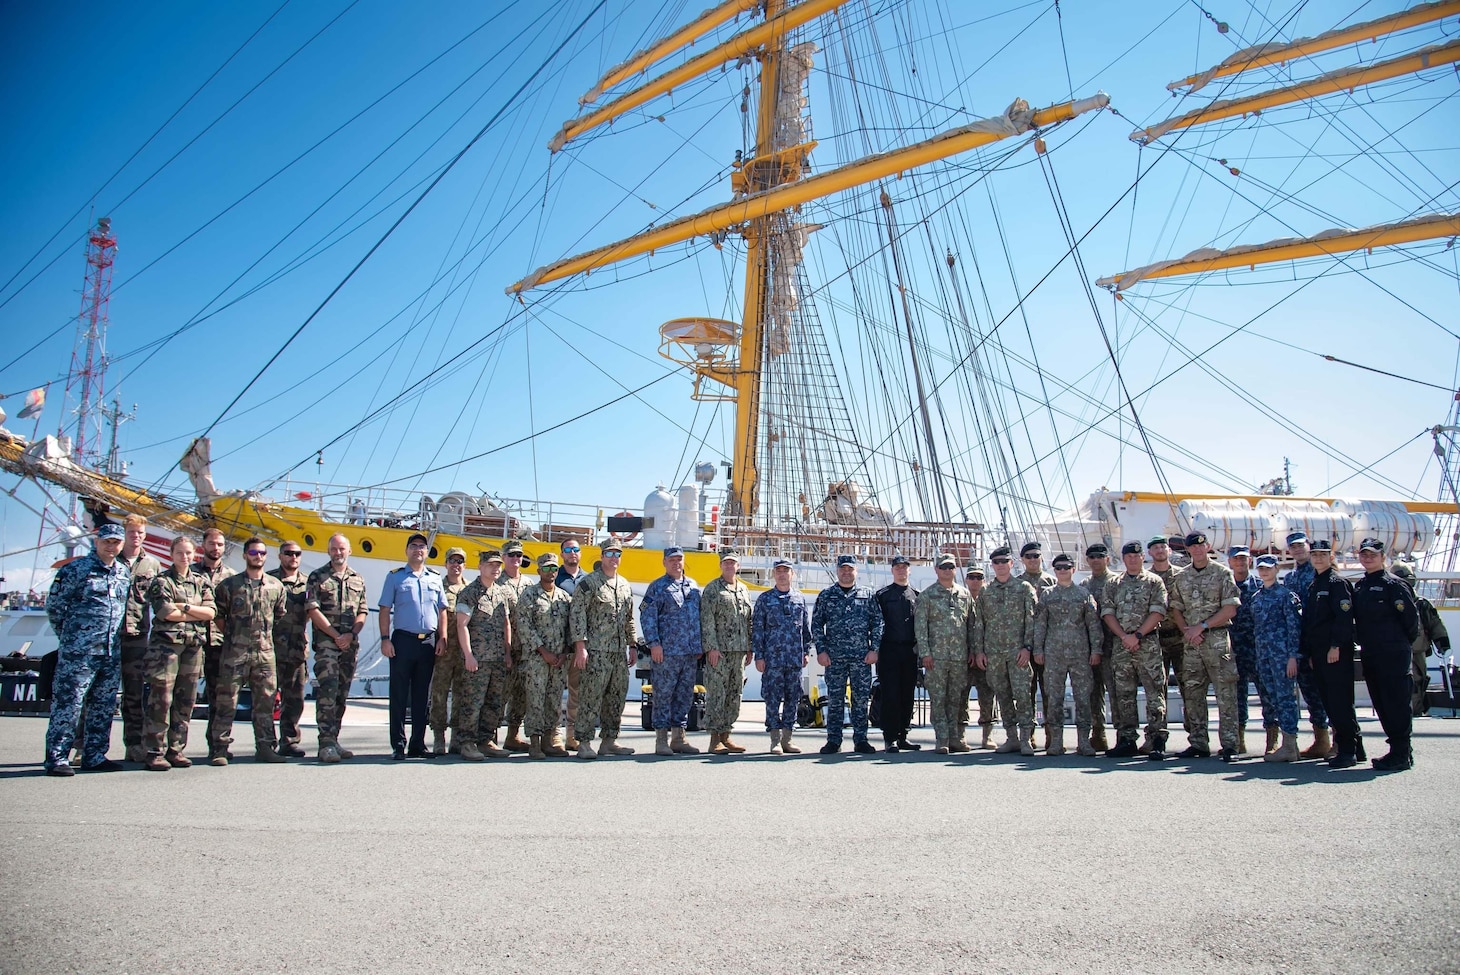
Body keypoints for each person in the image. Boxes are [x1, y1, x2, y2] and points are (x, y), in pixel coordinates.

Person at [42, 522, 130, 776]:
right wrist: (72, 639)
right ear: (97, 541)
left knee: (103, 706)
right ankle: (57, 757)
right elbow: (55, 608)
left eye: (116, 542)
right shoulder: (76, 570)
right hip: (78, 653)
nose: (111, 546)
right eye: (107, 541)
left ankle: (94, 755)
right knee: (69, 705)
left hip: (109, 652)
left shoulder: (123, 572)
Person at [211, 538, 288, 764]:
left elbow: (279, 615)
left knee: (265, 702)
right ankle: (219, 749)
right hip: (235, 652)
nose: (258, 556)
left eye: (262, 552)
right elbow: (219, 616)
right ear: (245, 555)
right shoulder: (229, 585)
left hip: (264, 653)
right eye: (254, 552)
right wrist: (236, 637)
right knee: (226, 701)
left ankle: (265, 747)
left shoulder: (276, 586)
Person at [142, 535, 216, 771]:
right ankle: (155, 751)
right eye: (180, 553)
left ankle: (176, 749)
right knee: (162, 698)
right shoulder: (162, 581)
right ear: (172, 554)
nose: (185, 557)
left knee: (186, 700)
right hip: (167, 647)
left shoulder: (200, 581)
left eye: (188, 553)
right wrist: (195, 612)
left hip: (193, 646)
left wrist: (183, 607)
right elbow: (165, 612)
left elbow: (211, 612)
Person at [1166, 531, 1242, 761]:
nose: (1197, 550)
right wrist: (1187, 631)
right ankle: (1198, 742)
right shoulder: (1182, 577)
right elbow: (1176, 609)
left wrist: (1202, 626)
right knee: (1192, 694)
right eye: (1193, 547)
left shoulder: (1222, 573)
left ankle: (1230, 744)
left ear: (1207, 546)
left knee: (1225, 693)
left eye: (1201, 546)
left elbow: (1230, 609)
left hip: (1217, 640)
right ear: (1188, 550)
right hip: (1191, 643)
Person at [1352, 538, 1420, 771]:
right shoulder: (1360, 587)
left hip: (1393, 653)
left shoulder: (1395, 585)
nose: (1368, 558)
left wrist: (1397, 644)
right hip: (1371, 653)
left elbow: (1411, 622)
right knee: (1381, 703)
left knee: (1396, 703)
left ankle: (1402, 752)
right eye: (1364, 554)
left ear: (1383, 557)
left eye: (1373, 554)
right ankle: (1396, 750)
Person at [379, 532, 449, 760]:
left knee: (422, 696)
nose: (418, 549)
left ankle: (417, 743)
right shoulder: (395, 577)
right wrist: (384, 639)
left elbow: (442, 610)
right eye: (414, 546)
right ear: (407, 550)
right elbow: (384, 609)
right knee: (399, 694)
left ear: (426, 552)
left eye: (422, 546)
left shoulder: (435, 578)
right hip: (402, 641)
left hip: (428, 642)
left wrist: (442, 638)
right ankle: (398, 745)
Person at [1102, 540, 1170, 760]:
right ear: (1123, 558)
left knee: (1154, 693)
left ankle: (1157, 739)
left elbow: (1158, 611)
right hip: (1122, 645)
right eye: (1128, 555)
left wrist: (1138, 635)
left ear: (1143, 557)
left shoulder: (1154, 582)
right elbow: (1107, 612)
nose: (1132, 558)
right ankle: (1127, 739)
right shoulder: (1113, 583)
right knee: (1124, 695)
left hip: (1147, 643)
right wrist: (1124, 636)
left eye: (1136, 555)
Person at [569, 539, 637, 759]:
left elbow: (628, 619)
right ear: (601, 556)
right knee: (591, 696)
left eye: (617, 553)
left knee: (616, 697)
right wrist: (580, 646)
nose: (614, 557)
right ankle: (584, 741)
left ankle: (609, 741)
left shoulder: (625, 584)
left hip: (618, 653)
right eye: (609, 553)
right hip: (596, 651)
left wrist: (633, 644)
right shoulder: (589, 583)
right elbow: (577, 615)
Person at [305, 533, 369, 763]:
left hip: (349, 645)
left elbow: (363, 610)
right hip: (327, 645)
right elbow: (313, 609)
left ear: (349, 551)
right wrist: (335, 636)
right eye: (334, 548)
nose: (338, 552)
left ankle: (335, 739)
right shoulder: (317, 576)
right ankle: (325, 744)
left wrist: (351, 635)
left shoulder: (357, 579)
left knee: (342, 693)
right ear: (329, 551)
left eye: (342, 548)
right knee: (327, 692)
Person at [811, 555, 883, 755]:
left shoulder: (867, 595)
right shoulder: (827, 595)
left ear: (856, 571)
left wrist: (874, 648)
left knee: (860, 699)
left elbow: (878, 623)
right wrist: (821, 650)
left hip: (861, 657)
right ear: (837, 570)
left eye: (850, 569)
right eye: (843, 569)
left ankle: (861, 739)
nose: (846, 572)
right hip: (834, 657)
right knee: (835, 699)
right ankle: (833, 740)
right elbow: (816, 624)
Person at [1031, 553, 1102, 756]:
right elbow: (1040, 624)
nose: (1062, 571)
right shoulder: (1047, 595)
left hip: (1080, 653)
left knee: (1083, 698)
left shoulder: (1083, 594)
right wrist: (1038, 649)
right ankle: (1056, 742)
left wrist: (1096, 649)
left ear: (1073, 569)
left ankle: (1084, 742)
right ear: (1055, 571)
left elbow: (1093, 625)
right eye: (1059, 568)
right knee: (1054, 698)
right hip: (1054, 653)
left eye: (1066, 567)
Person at [973, 546, 1038, 755]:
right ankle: (1012, 737)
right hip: (994, 654)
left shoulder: (1024, 588)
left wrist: (1027, 647)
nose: (1000, 565)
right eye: (996, 562)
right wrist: (980, 651)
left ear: (1012, 563)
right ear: (992, 565)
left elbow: (1031, 620)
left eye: (1004, 561)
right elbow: (979, 624)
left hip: (1017, 653)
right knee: (1003, 696)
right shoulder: (986, 591)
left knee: (1023, 695)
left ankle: (1027, 738)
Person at [1301, 540, 1361, 768]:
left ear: (1331, 556)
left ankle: (1347, 750)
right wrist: (1310, 653)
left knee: (1340, 703)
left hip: (1335, 653)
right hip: (1319, 653)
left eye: (1322, 554)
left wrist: (1336, 645)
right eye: (1314, 554)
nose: (1318, 558)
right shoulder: (1315, 583)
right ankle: (1358, 748)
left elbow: (1344, 619)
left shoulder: (1337, 583)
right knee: (1331, 702)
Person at [641, 545, 704, 756]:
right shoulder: (657, 587)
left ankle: (679, 737)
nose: (676, 563)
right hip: (666, 653)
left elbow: (699, 618)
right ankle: (661, 739)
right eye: (672, 560)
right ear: (664, 563)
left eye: (679, 559)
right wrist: (654, 643)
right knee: (663, 695)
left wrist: (699, 645)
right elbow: (647, 617)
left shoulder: (693, 586)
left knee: (685, 696)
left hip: (689, 653)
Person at [455, 549, 513, 761]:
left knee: (494, 702)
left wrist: (507, 652)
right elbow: (462, 625)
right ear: (480, 566)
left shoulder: (501, 593)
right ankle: (467, 743)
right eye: (491, 565)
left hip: (497, 658)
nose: (495, 569)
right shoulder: (469, 592)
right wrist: (468, 655)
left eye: (498, 565)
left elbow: (506, 623)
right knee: (472, 701)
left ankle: (486, 740)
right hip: (478, 659)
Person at [515, 552, 574, 759]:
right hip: (537, 659)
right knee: (536, 699)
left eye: (554, 568)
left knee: (554, 700)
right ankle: (534, 742)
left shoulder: (564, 597)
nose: (550, 572)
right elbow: (524, 626)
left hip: (559, 660)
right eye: (546, 568)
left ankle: (550, 740)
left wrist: (566, 652)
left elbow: (570, 628)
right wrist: (543, 651)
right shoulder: (529, 595)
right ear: (539, 570)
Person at [914, 553, 974, 754]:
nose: (947, 570)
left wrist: (972, 651)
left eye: (950, 567)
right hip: (936, 658)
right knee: (938, 699)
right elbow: (921, 627)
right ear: (936, 570)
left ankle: (956, 737)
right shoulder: (927, 596)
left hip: (959, 657)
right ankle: (942, 739)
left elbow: (971, 626)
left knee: (956, 698)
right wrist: (925, 653)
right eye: (943, 567)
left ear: (955, 569)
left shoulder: (965, 595)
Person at [752, 558, 812, 755]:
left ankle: (788, 738)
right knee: (772, 698)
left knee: (793, 698)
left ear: (792, 574)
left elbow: (805, 629)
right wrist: (759, 656)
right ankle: (775, 739)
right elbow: (758, 630)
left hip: (794, 659)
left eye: (786, 571)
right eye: (778, 571)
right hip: (773, 659)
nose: (782, 574)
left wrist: (805, 652)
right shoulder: (765, 599)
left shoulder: (799, 598)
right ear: (774, 574)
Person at [116, 514, 162, 764]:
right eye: (132, 532)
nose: (136, 536)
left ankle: (134, 744)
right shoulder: (111, 559)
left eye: (140, 532)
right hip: (107, 636)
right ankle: (85, 745)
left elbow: (157, 601)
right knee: (97, 693)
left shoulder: (151, 565)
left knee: (134, 694)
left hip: (136, 636)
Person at [1282, 531, 1332, 758]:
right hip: (1299, 641)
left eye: (1301, 546)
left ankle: (1340, 739)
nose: (1297, 550)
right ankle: (1321, 739)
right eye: (1293, 547)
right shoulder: (1291, 578)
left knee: (1329, 691)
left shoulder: (1321, 573)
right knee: (1310, 692)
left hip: (1320, 640)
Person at [1250, 555, 1303, 763]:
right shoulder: (1256, 597)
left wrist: (1293, 657)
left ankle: (1290, 744)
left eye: (1268, 568)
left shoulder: (1286, 596)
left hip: (1282, 657)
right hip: (1264, 656)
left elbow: (1294, 629)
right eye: (1261, 568)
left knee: (1286, 698)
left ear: (1277, 569)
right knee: (1273, 698)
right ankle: (1285, 744)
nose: (1264, 572)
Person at [700, 548, 753, 755]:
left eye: (733, 563)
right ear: (721, 565)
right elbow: (707, 621)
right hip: (719, 651)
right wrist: (711, 648)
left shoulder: (743, 589)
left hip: (739, 651)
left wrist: (750, 647)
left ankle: (726, 735)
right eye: (726, 563)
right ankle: (714, 739)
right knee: (717, 693)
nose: (730, 566)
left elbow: (748, 620)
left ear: (738, 566)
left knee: (734, 693)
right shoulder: (713, 589)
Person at [1228, 546, 1275, 755]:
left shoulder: (1259, 585)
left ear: (1249, 561)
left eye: (1243, 559)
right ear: (1229, 562)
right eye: (1235, 559)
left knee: (1266, 694)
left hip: (1257, 649)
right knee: (1237, 696)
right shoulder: (1225, 584)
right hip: (1234, 649)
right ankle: (1239, 739)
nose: (1239, 562)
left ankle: (1272, 739)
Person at [1389, 562, 1451, 716]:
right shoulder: (1387, 604)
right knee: (1396, 682)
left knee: (1417, 682)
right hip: (1394, 651)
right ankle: (1400, 712)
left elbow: (1434, 623)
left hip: (1418, 651)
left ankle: (1415, 711)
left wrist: (1442, 642)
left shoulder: (1422, 604)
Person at [196, 527, 236, 759]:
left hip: (220, 643)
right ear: (204, 545)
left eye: (220, 544)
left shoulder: (231, 578)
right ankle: (173, 748)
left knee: (220, 697)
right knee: (183, 698)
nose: (216, 548)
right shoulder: (189, 573)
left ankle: (217, 746)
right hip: (193, 642)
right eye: (212, 543)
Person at [268, 541, 310, 758]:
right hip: (270, 648)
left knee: (294, 698)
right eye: (288, 553)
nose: (293, 557)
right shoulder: (268, 580)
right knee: (265, 698)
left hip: (296, 648)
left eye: (297, 554)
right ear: (280, 555)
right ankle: (266, 742)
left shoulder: (307, 583)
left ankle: (289, 741)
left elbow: (313, 612)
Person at [876, 554, 921, 752]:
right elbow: (876, 624)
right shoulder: (883, 595)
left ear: (909, 570)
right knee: (890, 694)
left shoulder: (917, 596)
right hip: (889, 650)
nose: (901, 570)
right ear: (892, 570)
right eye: (897, 567)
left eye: (904, 567)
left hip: (910, 650)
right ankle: (890, 737)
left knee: (907, 694)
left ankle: (903, 734)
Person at [428, 546, 470, 755]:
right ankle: (438, 736)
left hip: (463, 651)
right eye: (452, 561)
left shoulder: (470, 589)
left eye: (459, 561)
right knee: (439, 693)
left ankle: (456, 736)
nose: (456, 565)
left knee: (461, 694)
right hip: (443, 649)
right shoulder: (437, 587)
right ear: (446, 564)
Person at [1017, 541, 1056, 746]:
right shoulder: (1017, 584)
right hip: (1024, 646)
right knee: (1026, 692)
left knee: (1049, 690)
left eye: (1036, 555)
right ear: (1022, 559)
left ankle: (1051, 735)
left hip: (1049, 645)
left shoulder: (1052, 582)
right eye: (1028, 556)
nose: (1033, 559)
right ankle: (1028, 734)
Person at [1080, 544, 1117, 752]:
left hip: (1114, 645)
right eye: (1092, 557)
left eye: (1100, 556)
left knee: (1117, 692)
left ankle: (1123, 735)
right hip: (1091, 648)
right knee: (1094, 694)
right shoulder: (1085, 585)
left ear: (1107, 559)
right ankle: (1098, 733)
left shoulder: (1116, 582)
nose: (1096, 560)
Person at [555, 537, 589, 750]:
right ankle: (554, 735)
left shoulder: (588, 580)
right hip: (558, 644)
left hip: (579, 646)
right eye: (568, 549)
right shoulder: (554, 577)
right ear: (562, 554)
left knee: (577, 691)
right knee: (555, 691)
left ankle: (572, 735)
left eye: (576, 549)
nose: (572, 553)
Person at [499, 540, 532, 753]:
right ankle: (489, 736)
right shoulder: (497, 583)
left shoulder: (529, 584)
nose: (516, 559)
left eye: (519, 555)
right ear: (503, 558)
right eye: (511, 555)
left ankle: (513, 735)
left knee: (521, 694)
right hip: (504, 648)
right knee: (499, 693)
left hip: (526, 648)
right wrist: (506, 649)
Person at [963, 567, 997, 748]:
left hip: (986, 657)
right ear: (967, 580)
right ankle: (960, 734)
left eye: (979, 577)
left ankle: (987, 735)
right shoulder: (961, 598)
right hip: (965, 657)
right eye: (972, 577)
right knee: (962, 697)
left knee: (987, 697)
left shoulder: (989, 600)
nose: (975, 580)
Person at [1147, 535, 1184, 697]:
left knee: (1188, 685)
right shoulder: (1146, 579)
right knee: (1157, 687)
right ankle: (1158, 723)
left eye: (1163, 547)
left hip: (1181, 639)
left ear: (1169, 550)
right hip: (1156, 640)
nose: (1160, 550)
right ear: (1150, 552)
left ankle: (1193, 723)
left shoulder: (1183, 576)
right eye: (1156, 548)